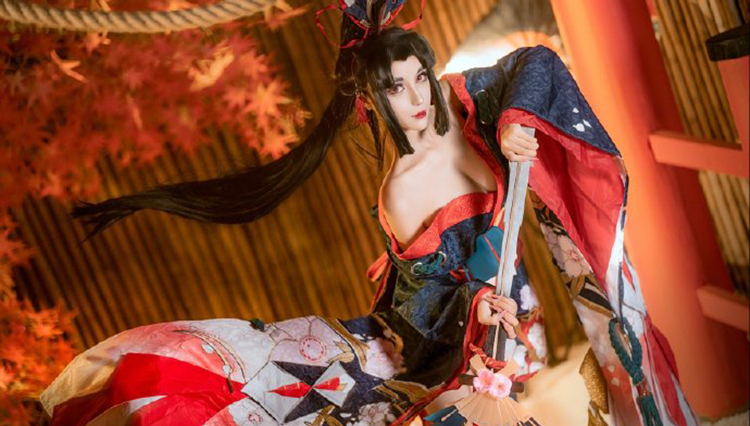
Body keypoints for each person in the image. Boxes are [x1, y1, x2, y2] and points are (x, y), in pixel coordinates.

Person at [40, 2, 699, 425]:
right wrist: (477, 310)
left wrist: (514, 123)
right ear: (374, 102)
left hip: (510, 323)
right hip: (441, 353)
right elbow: (423, 320)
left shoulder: (464, 100)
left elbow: (538, 62)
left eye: (418, 77)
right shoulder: (403, 191)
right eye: (396, 88)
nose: (417, 98)